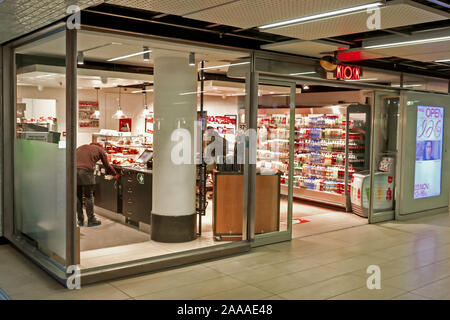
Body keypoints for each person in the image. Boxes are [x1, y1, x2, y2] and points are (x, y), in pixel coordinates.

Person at [76, 142, 120, 227]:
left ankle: (80, 221)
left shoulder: (81, 147)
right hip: (86, 172)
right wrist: (115, 174)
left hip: (74, 171)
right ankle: (91, 220)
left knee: (78, 196)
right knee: (89, 196)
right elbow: (106, 165)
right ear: (101, 147)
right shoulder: (100, 150)